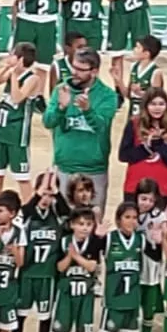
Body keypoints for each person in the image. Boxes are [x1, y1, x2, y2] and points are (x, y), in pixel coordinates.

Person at [43, 47, 118, 212]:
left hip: (94, 169)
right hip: (64, 167)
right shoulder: (61, 90)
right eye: (74, 67)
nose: (74, 73)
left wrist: (87, 110)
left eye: (81, 69)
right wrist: (61, 108)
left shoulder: (108, 96)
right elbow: (48, 122)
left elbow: (101, 126)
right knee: (62, 219)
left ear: (94, 71)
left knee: (93, 220)